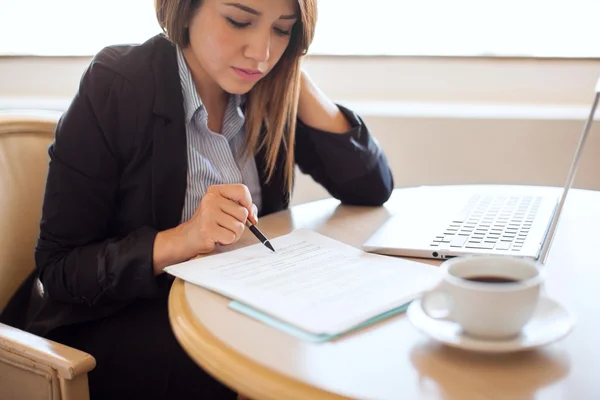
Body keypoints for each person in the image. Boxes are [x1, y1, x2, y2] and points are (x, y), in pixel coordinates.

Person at [1, 0, 393, 398]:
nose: (261, 53)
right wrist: (181, 239)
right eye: (239, 21)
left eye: (282, 29)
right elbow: (60, 269)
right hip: (117, 320)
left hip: (235, 306)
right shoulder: (117, 83)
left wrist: (297, 79)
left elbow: (371, 187)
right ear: (185, 9)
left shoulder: (267, 85)